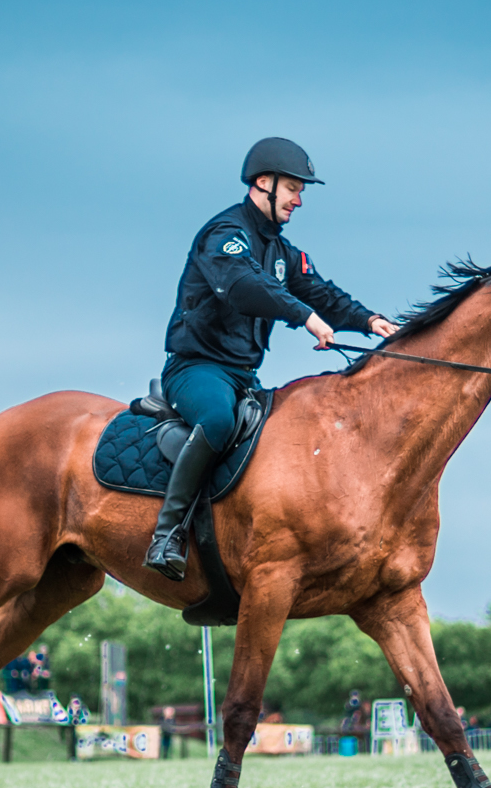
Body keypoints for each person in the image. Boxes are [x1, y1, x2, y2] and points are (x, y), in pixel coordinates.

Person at [144, 137, 399, 579]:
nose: (299, 200)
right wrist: (305, 318)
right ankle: (166, 535)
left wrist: (371, 320)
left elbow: (322, 293)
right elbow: (244, 287)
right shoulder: (224, 236)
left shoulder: (283, 252)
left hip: (244, 376)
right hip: (196, 369)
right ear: (264, 183)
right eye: (294, 189)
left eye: (302, 192)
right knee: (219, 421)